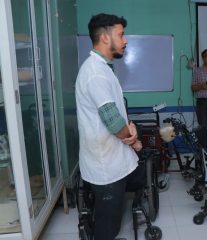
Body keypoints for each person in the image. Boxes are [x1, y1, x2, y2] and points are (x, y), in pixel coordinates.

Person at [76, 13, 142, 240]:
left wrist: (130, 129)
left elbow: (114, 112)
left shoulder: (102, 68)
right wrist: (132, 138)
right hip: (105, 168)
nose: (125, 41)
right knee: (107, 227)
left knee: (110, 220)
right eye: (121, 35)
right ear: (105, 37)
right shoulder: (95, 73)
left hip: (111, 160)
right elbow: (112, 120)